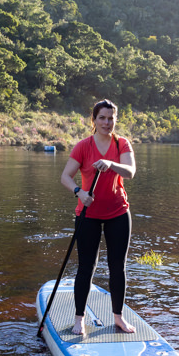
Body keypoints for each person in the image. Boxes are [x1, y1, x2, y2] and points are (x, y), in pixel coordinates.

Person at [60, 99, 137, 335]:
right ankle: (79, 319)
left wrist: (110, 164)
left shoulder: (122, 144)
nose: (107, 122)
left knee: (117, 267)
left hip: (118, 213)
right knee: (86, 267)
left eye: (111, 118)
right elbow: (65, 176)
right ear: (94, 120)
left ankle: (119, 318)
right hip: (88, 214)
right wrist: (79, 192)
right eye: (102, 118)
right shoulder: (83, 146)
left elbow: (130, 172)